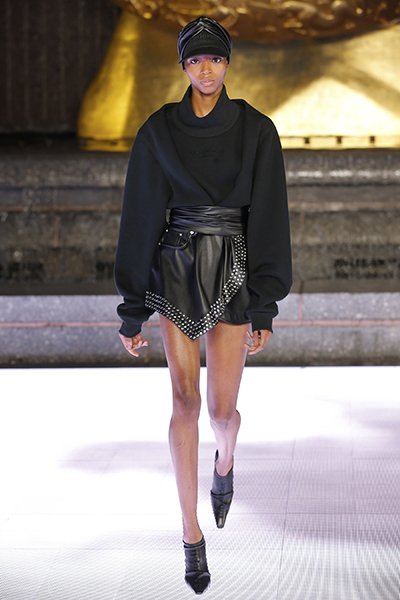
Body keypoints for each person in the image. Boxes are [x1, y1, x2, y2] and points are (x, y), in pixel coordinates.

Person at [114, 16, 292, 595]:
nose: (206, 68)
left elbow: (269, 216)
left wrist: (264, 305)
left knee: (221, 412)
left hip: (234, 266)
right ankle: (191, 535)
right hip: (176, 267)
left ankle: (225, 461)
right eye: (196, 59)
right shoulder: (159, 131)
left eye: (215, 58)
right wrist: (132, 307)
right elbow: (141, 213)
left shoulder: (257, 130)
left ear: (228, 63)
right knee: (184, 403)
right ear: (184, 66)